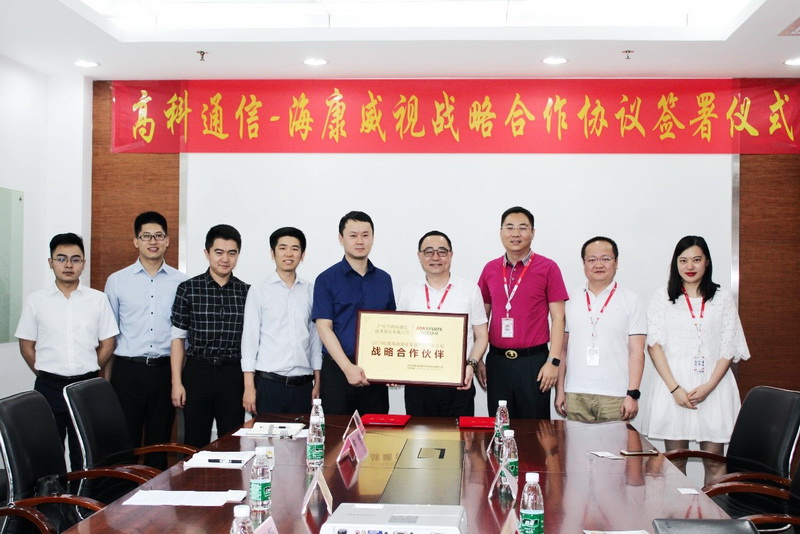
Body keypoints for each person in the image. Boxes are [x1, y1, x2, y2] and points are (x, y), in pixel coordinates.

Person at [646, 235, 750, 484]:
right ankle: (678, 511)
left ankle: (715, 510)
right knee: (675, 461)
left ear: (707, 262)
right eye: (683, 260)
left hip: (714, 386)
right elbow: (654, 346)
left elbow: (728, 347)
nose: (689, 266)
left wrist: (709, 386)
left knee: (714, 461)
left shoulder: (722, 298)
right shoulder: (663, 297)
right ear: (676, 263)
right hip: (674, 386)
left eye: (696, 259)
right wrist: (675, 389)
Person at [15, 233, 118, 470]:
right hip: (48, 387)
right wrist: (45, 372)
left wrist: (91, 367)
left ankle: (82, 494)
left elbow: (108, 343)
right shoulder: (36, 301)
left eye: (75, 259)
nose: (68, 265)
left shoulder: (98, 300)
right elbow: (26, 345)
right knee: (48, 451)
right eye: (61, 259)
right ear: (50, 262)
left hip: (85, 385)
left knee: (85, 451)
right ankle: (54, 495)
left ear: (83, 263)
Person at [104, 211, 187, 469]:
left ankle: (156, 492)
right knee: (123, 443)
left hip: (165, 371)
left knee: (159, 444)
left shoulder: (182, 283)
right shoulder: (117, 281)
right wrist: (106, 379)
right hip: (127, 371)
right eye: (146, 236)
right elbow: (109, 334)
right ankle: (120, 493)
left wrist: (179, 378)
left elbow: (184, 336)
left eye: (159, 236)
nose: (153, 241)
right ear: (136, 241)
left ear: (167, 241)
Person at [476, 206, 568, 419]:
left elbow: (559, 317)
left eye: (523, 228)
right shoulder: (490, 269)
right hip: (497, 362)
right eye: (509, 227)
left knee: (534, 429)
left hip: (534, 363)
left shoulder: (548, 268)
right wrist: (478, 358)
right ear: (501, 232)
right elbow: (481, 318)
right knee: (500, 425)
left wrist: (553, 362)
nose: (515, 233)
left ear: (532, 233)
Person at [170, 224, 250, 448]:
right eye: (219, 252)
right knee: (194, 442)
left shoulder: (247, 292)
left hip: (232, 374)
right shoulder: (188, 289)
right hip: (198, 372)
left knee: (232, 442)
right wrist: (176, 382)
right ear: (207, 253)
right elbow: (178, 339)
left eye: (232, 253)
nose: (225, 259)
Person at [397, 230, 489, 417]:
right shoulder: (408, 292)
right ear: (419, 256)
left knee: (460, 435)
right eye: (428, 252)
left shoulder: (470, 290)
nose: (435, 257)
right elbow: (400, 335)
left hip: (459, 382)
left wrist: (471, 364)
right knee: (418, 434)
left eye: (442, 251)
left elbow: (482, 335)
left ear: (451, 255)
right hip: (418, 384)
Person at [312, 211, 396, 415]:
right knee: (337, 432)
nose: (360, 241)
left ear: (373, 238)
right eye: (353, 235)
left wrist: (393, 367)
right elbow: (324, 328)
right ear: (341, 238)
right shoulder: (326, 279)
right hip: (338, 372)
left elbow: (392, 326)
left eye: (365, 235)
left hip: (375, 372)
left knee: (376, 431)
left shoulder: (384, 279)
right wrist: (347, 367)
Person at [554, 236, 646, 422]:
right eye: (592, 259)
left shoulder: (631, 300)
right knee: (575, 442)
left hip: (616, 395)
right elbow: (561, 349)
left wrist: (632, 394)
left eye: (605, 258)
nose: (598, 265)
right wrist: (560, 390)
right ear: (584, 264)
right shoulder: (570, 299)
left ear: (616, 262)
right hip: (576, 393)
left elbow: (637, 351)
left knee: (615, 442)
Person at [241, 227, 322, 415]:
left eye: (295, 248)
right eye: (283, 248)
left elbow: (315, 339)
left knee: (303, 435)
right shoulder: (259, 290)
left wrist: (318, 381)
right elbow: (250, 340)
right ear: (273, 253)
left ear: (302, 255)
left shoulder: (311, 290)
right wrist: (249, 386)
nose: (288, 253)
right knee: (266, 435)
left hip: (303, 386)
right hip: (269, 384)